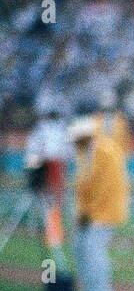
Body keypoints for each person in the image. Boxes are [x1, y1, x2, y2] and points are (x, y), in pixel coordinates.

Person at [70, 111, 130, 291]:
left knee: (94, 250)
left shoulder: (105, 151)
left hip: (105, 212)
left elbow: (105, 188)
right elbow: (83, 187)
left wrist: (90, 212)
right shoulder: (86, 152)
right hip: (90, 213)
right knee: (80, 248)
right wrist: (81, 212)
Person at [22, 101, 73, 249]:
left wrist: (31, 174)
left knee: (45, 201)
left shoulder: (41, 129)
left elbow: (32, 151)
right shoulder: (59, 129)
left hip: (45, 165)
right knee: (54, 202)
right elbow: (67, 151)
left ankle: (49, 232)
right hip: (54, 165)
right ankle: (54, 234)